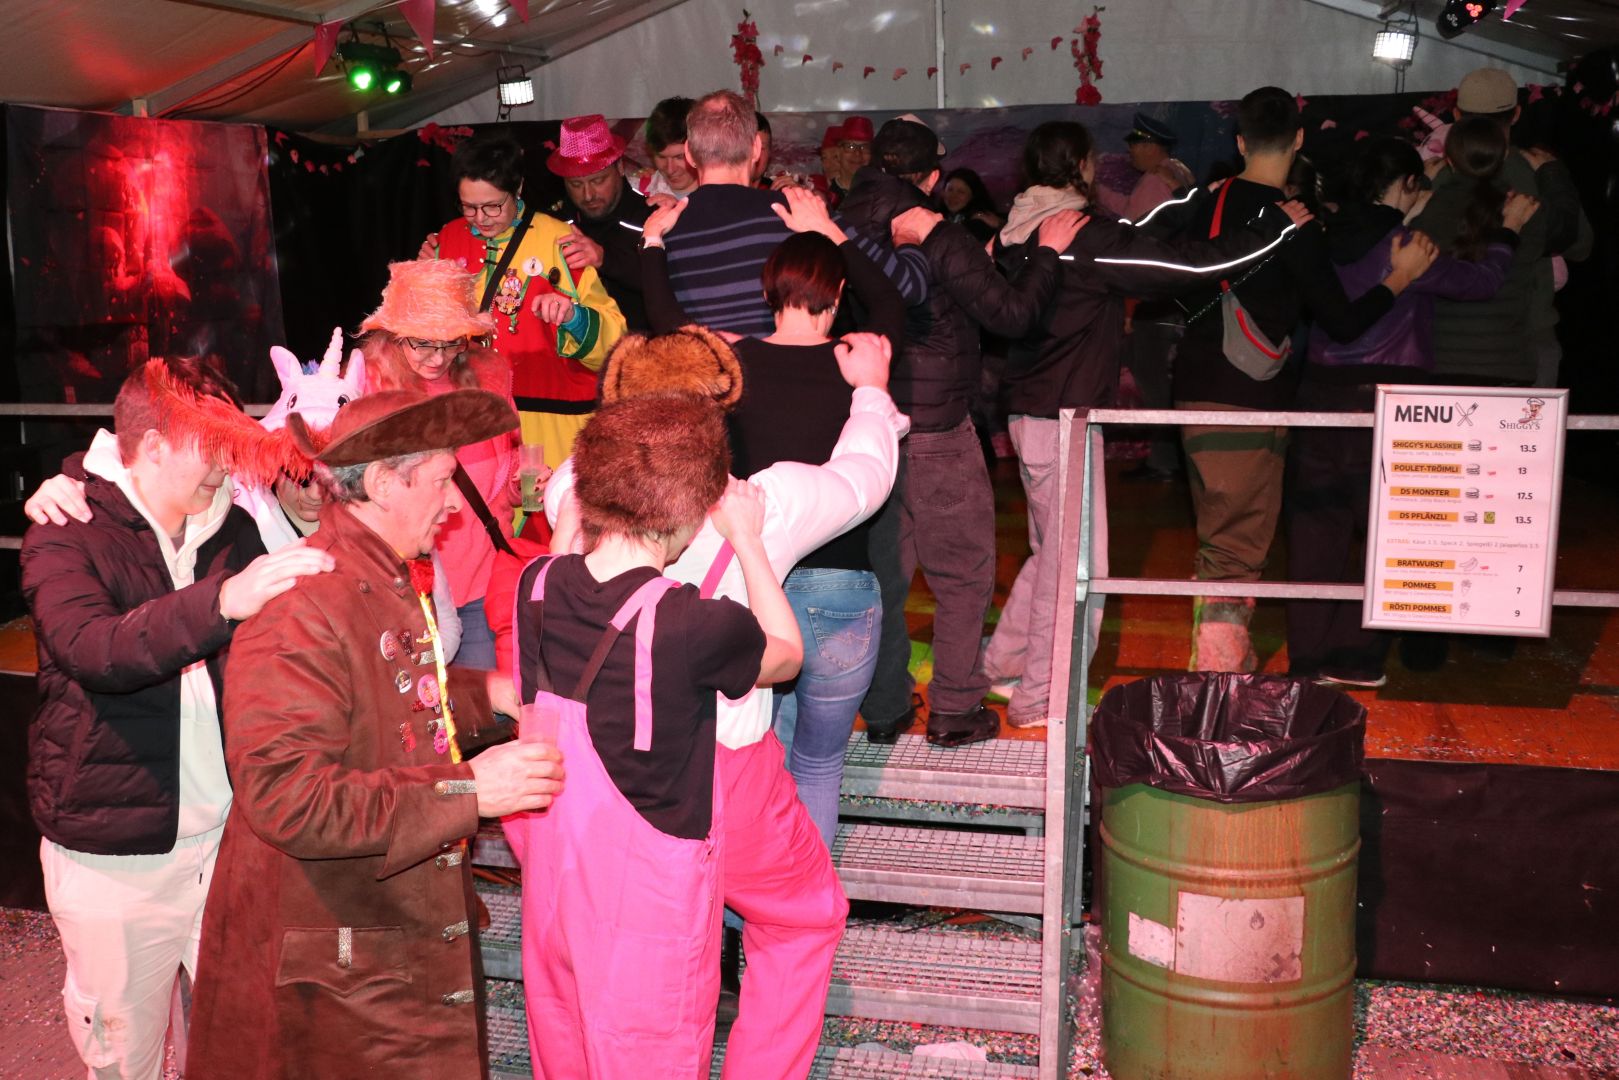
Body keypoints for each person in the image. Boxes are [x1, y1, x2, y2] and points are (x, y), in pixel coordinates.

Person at [499, 325, 901, 1077]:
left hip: (579, 783)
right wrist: (872, 393)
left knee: (574, 957)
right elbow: (863, 480)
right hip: (722, 778)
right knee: (803, 917)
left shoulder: (573, 492)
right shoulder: (766, 502)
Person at [184, 387, 565, 1079]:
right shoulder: (302, 608)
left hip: (375, 934)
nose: (454, 504)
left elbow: (386, 697)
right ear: (386, 483)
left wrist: (487, 695)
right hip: (340, 956)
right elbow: (287, 798)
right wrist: (468, 792)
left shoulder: (376, 576)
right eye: (443, 480)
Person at [22, 356, 335, 1080]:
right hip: (115, 859)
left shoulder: (232, 528)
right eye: (211, 445)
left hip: (227, 843)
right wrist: (221, 601)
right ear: (156, 445)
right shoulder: (68, 528)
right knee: (124, 1058)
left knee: (243, 1048)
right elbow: (94, 650)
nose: (226, 463)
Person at [979, 117, 1331, 725]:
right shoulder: (1082, 236)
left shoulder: (1020, 228)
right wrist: (1273, 226)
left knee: (1049, 554)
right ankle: (1044, 697)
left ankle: (1003, 665)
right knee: (1079, 568)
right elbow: (1187, 268)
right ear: (1084, 166)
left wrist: (1191, 203)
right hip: (1063, 419)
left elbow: (1140, 236)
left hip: (1029, 413)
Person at [508, 392, 803, 1078]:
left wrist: (571, 521)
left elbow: (563, 564)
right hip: (647, 908)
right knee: (648, 1053)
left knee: (563, 1039)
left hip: (555, 882)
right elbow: (786, 655)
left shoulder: (535, 585)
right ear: (691, 513)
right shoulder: (694, 623)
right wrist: (748, 540)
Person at [644, 185, 908, 830]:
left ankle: (757, 887)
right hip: (843, 589)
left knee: (761, 759)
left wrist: (652, 244)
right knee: (819, 763)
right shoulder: (861, 363)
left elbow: (666, 323)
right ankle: (809, 890)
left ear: (769, 291)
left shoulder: (735, 364)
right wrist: (835, 234)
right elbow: (893, 301)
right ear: (838, 294)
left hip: (755, 582)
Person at [1168, 87, 1436, 674]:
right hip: (1250, 393)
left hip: (1191, 382)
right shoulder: (1294, 222)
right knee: (1237, 543)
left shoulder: (1207, 203)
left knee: (1218, 533)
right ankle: (1217, 676)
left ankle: (1222, 657)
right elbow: (1341, 321)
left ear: (1241, 142)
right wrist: (1398, 278)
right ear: (1298, 139)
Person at [839, 117, 1081, 746]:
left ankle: (885, 707)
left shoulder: (840, 219)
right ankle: (953, 706)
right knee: (964, 575)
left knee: (883, 578)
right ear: (932, 176)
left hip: (868, 425)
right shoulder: (930, 229)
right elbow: (1013, 314)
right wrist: (1046, 254)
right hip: (938, 425)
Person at [1286, 135, 1538, 689]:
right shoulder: (1408, 246)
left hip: (1318, 396)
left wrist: (1406, 208)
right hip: (1390, 401)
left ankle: (1306, 658)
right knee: (1386, 535)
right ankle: (1353, 658)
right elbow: (1482, 283)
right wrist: (1508, 231)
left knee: (1315, 532)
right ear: (1405, 185)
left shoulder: (1319, 236)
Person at [419, 131, 626, 467]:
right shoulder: (447, 240)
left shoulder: (560, 240)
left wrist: (574, 318)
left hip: (552, 420)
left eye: (492, 206)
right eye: (469, 207)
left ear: (518, 189)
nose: (481, 218)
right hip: (475, 422)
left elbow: (615, 339)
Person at [651, 89, 927, 337]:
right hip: (789, 376)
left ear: (689, 153)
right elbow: (907, 287)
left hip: (704, 376)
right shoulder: (797, 212)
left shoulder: (662, 230)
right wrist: (908, 239)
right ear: (756, 148)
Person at [1411, 67, 1592, 389]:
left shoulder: (1435, 178)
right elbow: (1579, 245)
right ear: (1517, 113)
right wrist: (1554, 178)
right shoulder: (1539, 173)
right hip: (1522, 345)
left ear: (1456, 115)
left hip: (1440, 346)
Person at [549, 114, 653, 333]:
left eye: (598, 180)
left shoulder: (652, 217)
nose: (588, 195)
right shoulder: (555, 224)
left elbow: (672, 285)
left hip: (644, 348)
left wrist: (605, 259)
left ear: (620, 167)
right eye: (576, 184)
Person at [1094, 112, 1196, 222]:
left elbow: (1137, 223)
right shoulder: (1176, 168)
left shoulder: (1154, 179)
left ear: (1150, 148)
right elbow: (1130, 207)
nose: (1129, 150)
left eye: (1132, 145)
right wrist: (1096, 190)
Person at [637, 95, 698, 199]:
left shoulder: (722, 196)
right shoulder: (638, 190)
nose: (670, 170)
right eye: (661, 157)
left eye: (679, 157)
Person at [937, 167, 1003, 244]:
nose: (953, 196)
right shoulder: (936, 216)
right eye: (950, 189)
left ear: (973, 196)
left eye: (961, 192)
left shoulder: (979, 225)